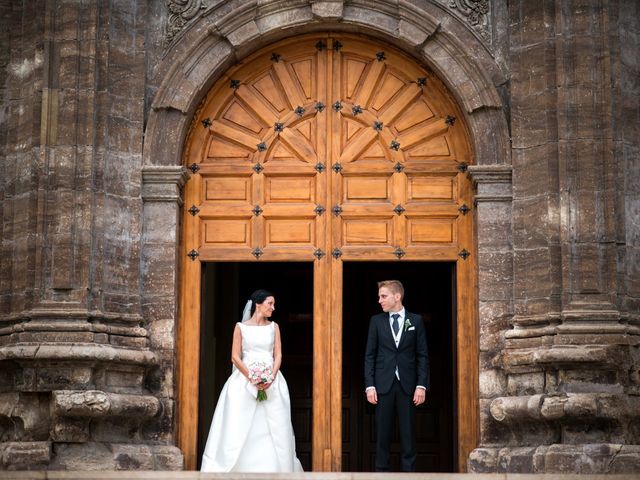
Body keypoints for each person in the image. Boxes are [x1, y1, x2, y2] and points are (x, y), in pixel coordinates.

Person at [201, 289, 303, 472]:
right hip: (244, 380)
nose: (273, 307)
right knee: (239, 422)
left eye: (273, 304)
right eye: (270, 303)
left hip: (272, 381)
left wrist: (270, 376)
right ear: (258, 304)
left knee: (275, 424)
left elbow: (278, 354)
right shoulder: (240, 327)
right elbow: (235, 357)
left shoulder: (274, 327)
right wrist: (252, 377)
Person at [364, 280, 429, 472]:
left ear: (397, 297)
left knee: (408, 434)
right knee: (382, 434)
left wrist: (421, 385)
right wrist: (370, 385)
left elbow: (422, 355)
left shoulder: (415, 321)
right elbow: (370, 355)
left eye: (383, 296)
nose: (379, 301)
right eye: (379, 297)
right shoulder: (376, 321)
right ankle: (381, 473)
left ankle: (409, 474)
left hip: (408, 386)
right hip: (382, 385)